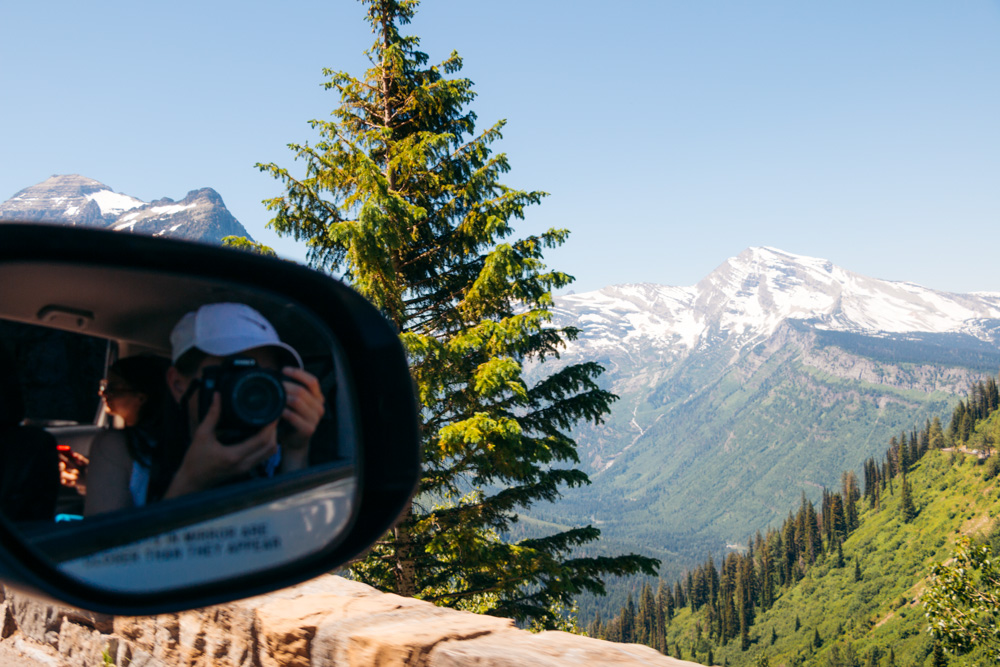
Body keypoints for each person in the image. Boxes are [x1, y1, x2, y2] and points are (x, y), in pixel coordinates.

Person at [85, 303, 324, 515]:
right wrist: (190, 483)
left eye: (261, 379)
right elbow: (102, 559)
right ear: (177, 384)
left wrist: (296, 449)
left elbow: (296, 542)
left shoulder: (276, 450)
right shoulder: (124, 454)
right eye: (231, 376)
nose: (248, 392)